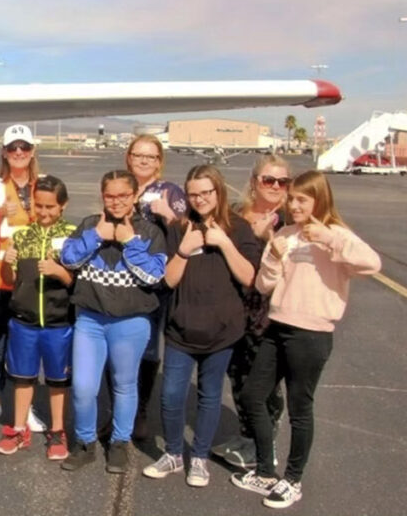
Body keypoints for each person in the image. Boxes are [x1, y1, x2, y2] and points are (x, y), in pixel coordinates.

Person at [232, 171, 380, 509]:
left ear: (319, 201)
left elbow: (371, 263)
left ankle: (293, 479)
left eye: (302, 199)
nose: (294, 205)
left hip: (311, 334)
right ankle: (266, 472)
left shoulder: (334, 235)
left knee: (300, 408)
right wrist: (272, 255)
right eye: (292, 198)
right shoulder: (285, 233)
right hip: (277, 326)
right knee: (254, 395)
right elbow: (265, 286)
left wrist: (329, 238)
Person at [142, 165, 259, 487]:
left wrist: (223, 243)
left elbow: (250, 278)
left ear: (218, 191)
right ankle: (174, 454)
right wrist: (183, 247)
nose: (200, 199)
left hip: (222, 331)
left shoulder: (239, 228)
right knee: (171, 395)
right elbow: (168, 279)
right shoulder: (181, 228)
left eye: (206, 192)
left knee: (209, 396)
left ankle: (201, 459)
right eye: (193, 194)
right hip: (182, 329)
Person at [59, 170, 166, 474]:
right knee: (83, 387)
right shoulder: (90, 225)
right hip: (90, 320)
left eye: (123, 196)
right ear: (102, 196)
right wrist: (97, 237)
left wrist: (129, 242)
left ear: (134, 197)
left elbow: (154, 275)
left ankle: (120, 442)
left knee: (124, 384)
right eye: (110, 196)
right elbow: (68, 258)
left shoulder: (148, 232)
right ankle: (85, 442)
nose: (116, 202)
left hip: (131, 322)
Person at [212, 155, 291, 469]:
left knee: (263, 384)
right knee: (238, 376)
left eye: (282, 181)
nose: (274, 186)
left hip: (269, 315)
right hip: (232, 309)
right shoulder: (233, 214)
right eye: (268, 180)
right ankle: (247, 436)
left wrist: (268, 241)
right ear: (254, 181)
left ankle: (264, 445)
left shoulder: (289, 221)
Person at [0, 175, 76, 460]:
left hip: (58, 323)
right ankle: (18, 428)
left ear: (62, 206)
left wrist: (59, 271)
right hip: (24, 321)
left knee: (57, 380)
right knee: (22, 378)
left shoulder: (73, 236)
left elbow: (76, 283)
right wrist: (6, 263)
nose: (44, 212)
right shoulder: (22, 235)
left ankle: (57, 431)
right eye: (39, 206)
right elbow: (8, 279)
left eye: (50, 207)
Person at [109, 134, 186, 440]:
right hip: (120, 275)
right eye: (138, 155)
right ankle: (116, 411)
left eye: (151, 156)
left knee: (147, 348)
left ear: (159, 162)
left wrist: (168, 215)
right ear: (129, 157)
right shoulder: (121, 187)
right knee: (116, 344)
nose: (143, 160)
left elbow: (185, 232)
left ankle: (139, 411)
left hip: (153, 281)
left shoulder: (169, 191)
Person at [0, 124, 45, 433]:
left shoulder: (43, 185)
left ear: (32, 152)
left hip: (31, 279)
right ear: (4, 152)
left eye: (24, 148)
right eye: (13, 147)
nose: (19, 153)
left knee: (26, 345)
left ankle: (23, 406)